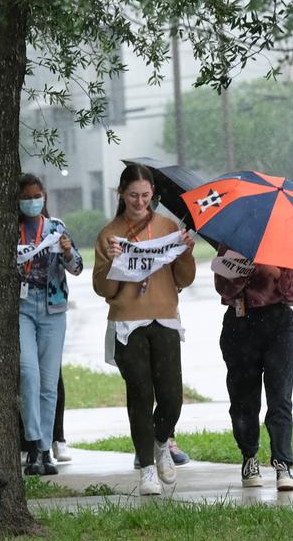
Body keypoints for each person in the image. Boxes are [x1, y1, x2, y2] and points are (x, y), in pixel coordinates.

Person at [93, 163, 196, 496]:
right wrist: (111, 262)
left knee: (171, 397)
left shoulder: (167, 227)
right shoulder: (110, 234)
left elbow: (184, 279)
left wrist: (185, 252)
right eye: (133, 195)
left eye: (146, 196)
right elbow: (104, 290)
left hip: (165, 319)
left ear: (154, 195)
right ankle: (147, 468)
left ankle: (161, 442)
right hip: (127, 323)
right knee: (140, 395)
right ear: (121, 194)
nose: (139, 202)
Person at [214, 253, 293, 491]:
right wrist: (247, 268)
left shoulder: (284, 244)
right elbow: (223, 288)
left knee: (280, 397)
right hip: (240, 324)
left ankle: (283, 463)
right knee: (243, 399)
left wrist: (275, 271)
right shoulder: (233, 245)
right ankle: (249, 457)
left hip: (280, 325)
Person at [14, 173, 83, 476]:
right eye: (26, 197)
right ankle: (31, 444)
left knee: (48, 381)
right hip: (22, 308)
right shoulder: (11, 230)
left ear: (44, 196)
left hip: (53, 308)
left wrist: (67, 251)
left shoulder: (56, 228)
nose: (32, 201)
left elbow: (78, 266)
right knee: (28, 375)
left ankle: (45, 448)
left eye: (36, 195)